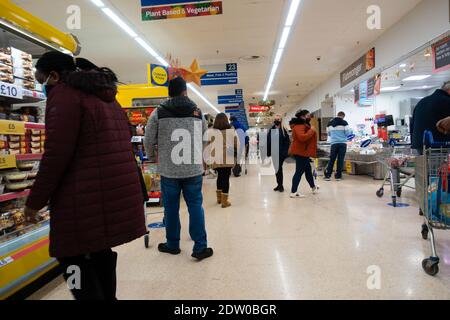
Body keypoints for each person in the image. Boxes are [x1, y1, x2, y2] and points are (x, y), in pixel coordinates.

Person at [23, 51, 146, 300]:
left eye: (40, 79)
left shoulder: (64, 97)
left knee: (71, 256)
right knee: (100, 252)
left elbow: (56, 155)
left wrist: (34, 202)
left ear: (54, 76)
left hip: (82, 197)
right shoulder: (106, 97)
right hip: (111, 193)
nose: (41, 85)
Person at [145, 77, 213, 261]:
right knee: (195, 206)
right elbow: (205, 138)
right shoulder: (197, 112)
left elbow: (148, 139)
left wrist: (152, 157)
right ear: (185, 92)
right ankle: (200, 247)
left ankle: (173, 244)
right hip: (192, 169)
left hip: (169, 170)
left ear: (169, 92)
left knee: (171, 208)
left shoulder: (158, 112)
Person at [208, 113, 239, 208]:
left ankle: (219, 199)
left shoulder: (211, 132)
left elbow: (208, 145)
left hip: (216, 158)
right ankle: (224, 202)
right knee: (225, 178)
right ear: (226, 120)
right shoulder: (231, 131)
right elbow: (236, 144)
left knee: (220, 177)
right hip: (227, 157)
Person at [411, 81, 450, 153]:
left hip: (419, 145)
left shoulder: (422, 101)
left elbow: (412, 124)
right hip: (439, 146)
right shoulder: (447, 101)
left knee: (424, 164)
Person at [289, 110, 319, 198]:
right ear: (302, 116)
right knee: (299, 172)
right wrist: (312, 131)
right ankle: (293, 192)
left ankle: (313, 188)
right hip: (300, 152)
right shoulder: (299, 126)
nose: (309, 117)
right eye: (308, 115)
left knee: (308, 171)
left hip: (303, 152)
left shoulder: (303, 125)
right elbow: (302, 137)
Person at [324, 111, 351, 181]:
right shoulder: (345, 123)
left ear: (337, 115)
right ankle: (338, 176)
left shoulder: (329, 123)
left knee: (332, 159)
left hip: (334, 143)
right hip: (342, 143)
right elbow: (348, 133)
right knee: (340, 160)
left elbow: (328, 133)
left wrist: (335, 135)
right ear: (343, 116)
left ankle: (328, 176)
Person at [267, 115, 291, 192]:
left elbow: (287, 143)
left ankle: (280, 185)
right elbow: (268, 141)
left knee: (279, 169)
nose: (277, 120)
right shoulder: (272, 129)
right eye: (276, 119)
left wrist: (285, 153)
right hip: (274, 153)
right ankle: (279, 185)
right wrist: (268, 152)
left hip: (281, 153)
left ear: (281, 120)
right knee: (277, 170)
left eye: (278, 119)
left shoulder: (283, 130)